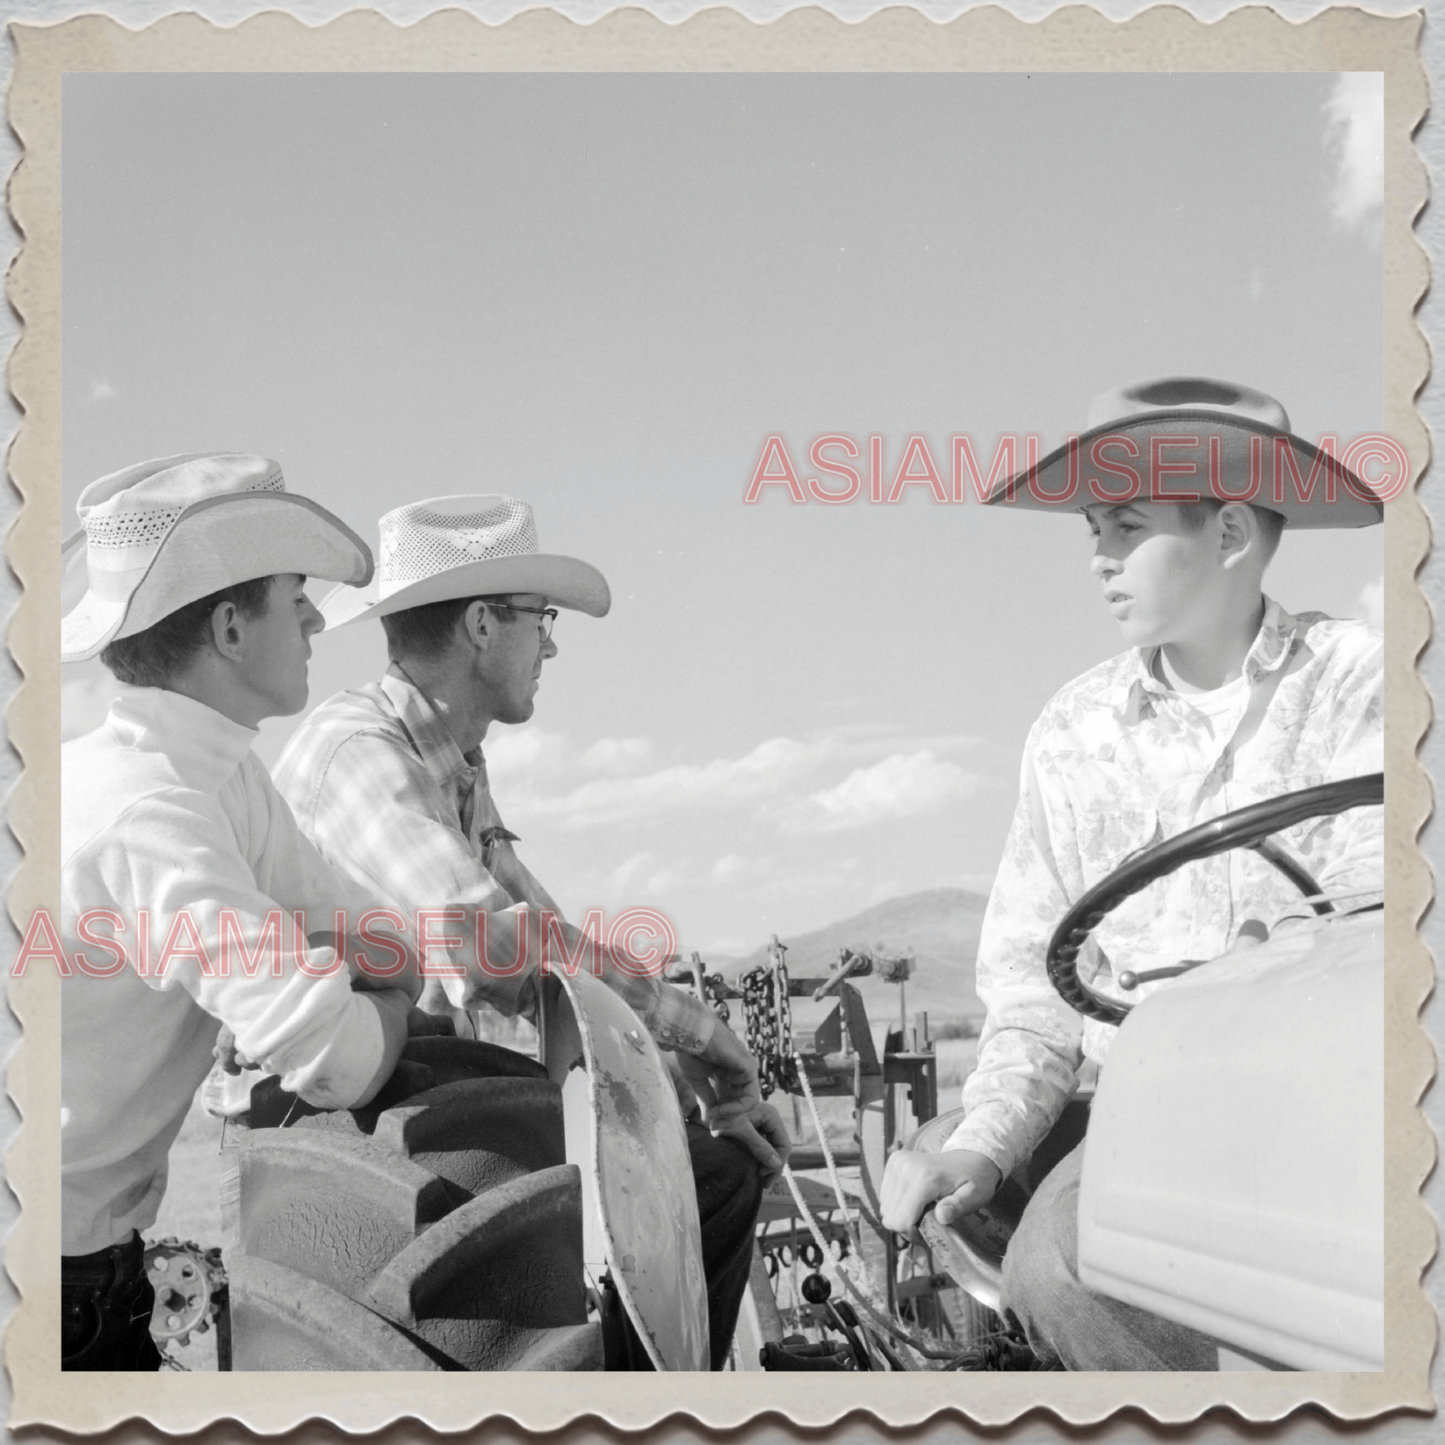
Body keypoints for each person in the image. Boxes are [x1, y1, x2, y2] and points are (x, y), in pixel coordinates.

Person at [880, 377, 1386, 1370]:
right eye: (1092, 531)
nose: (1099, 557)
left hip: (1335, 1091)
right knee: (1062, 1264)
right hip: (1142, 1110)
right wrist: (982, 1142)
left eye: (1124, 526)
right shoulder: (1071, 733)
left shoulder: (1361, 682)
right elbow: (1033, 989)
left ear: (1229, 534)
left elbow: (1383, 923)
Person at [272, 493, 789, 1369]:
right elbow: (487, 942)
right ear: (482, 623)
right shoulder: (357, 755)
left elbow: (547, 938)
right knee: (672, 1203)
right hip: (347, 1112)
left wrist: (678, 1067)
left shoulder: (455, 768)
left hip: (429, 1088)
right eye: (537, 619)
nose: (549, 643)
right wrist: (698, 1030)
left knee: (712, 1176)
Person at [59, 453, 422, 1370]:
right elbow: (333, 1057)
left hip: (85, 1265)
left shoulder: (214, 777)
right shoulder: (154, 809)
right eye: (293, 595)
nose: (312, 620)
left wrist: (374, 972)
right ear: (229, 625)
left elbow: (367, 930)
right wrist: (384, 998)